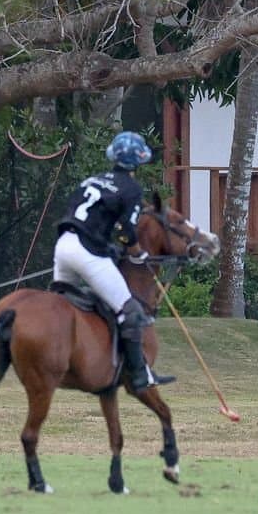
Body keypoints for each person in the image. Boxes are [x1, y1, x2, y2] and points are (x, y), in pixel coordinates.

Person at [53, 130, 174, 394]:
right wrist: (136, 251)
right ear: (139, 161)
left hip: (63, 246)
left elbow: (77, 215)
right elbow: (126, 230)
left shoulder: (91, 180)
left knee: (61, 306)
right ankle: (140, 375)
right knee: (130, 310)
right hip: (87, 252)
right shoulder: (130, 188)